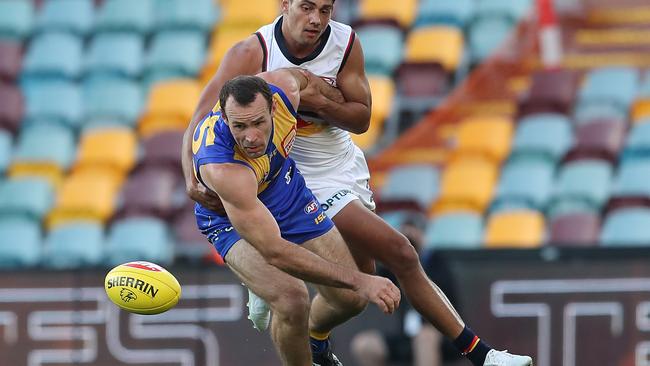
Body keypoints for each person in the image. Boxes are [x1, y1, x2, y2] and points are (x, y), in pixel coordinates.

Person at [182, 1, 534, 365]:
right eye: (306, 7)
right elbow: (200, 117)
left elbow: (361, 117)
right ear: (285, 5)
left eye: (326, 8)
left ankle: (316, 339)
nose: (316, 19)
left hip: (340, 163)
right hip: (300, 173)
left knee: (355, 289)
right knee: (398, 253)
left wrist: (317, 99)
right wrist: (189, 177)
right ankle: (483, 355)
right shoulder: (251, 54)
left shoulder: (337, 48)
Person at [192, 68, 402, 366]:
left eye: (258, 123)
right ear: (225, 120)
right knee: (292, 299)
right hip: (228, 215)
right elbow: (276, 252)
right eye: (239, 126)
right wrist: (362, 280)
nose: (251, 137)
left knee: (350, 300)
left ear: (275, 107)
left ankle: (316, 339)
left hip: (282, 189)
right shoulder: (224, 170)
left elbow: (311, 81)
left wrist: (334, 100)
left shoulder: (285, 88)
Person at [351, 214, 462, 366]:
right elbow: (374, 275)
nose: (409, 242)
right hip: (407, 335)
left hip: (443, 335)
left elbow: (442, 288)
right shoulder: (395, 267)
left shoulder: (436, 261)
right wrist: (393, 250)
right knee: (365, 345)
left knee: (424, 337)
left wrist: (416, 254)